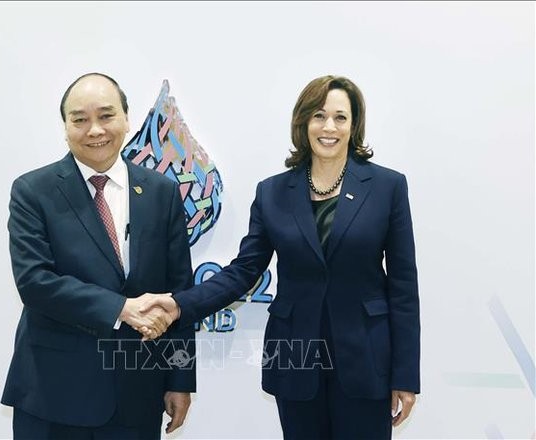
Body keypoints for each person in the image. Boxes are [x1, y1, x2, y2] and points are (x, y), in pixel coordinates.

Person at [140, 75, 420, 439]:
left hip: (366, 360)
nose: (329, 127)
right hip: (295, 361)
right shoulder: (272, 192)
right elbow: (243, 271)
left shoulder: (388, 187)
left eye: (340, 117)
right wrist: (179, 305)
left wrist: (405, 376)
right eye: (319, 116)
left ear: (355, 125)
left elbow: (403, 288)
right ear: (303, 123)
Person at [1, 72, 195, 439]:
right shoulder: (33, 191)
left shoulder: (161, 193)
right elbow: (35, 282)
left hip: (137, 393)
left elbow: (178, 293)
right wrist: (122, 308)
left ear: (126, 118)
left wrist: (180, 378)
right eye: (80, 119)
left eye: (106, 116)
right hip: (53, 393)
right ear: (65, 126)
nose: (94, 130)